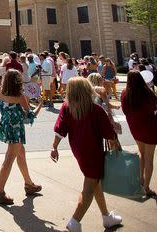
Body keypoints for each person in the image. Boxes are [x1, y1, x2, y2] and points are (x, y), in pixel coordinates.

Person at [51, 77, 122, 232]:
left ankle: (106, 217)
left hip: (78, 150)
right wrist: (115, 142)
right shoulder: (95, 109)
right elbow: (108, 133)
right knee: (89, 187)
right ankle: (74, 223)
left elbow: (59, 130)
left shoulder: (66, 107)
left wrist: (54, 147)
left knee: (94, 182)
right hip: (93, 151)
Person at [0, 70, 43, 205]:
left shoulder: (2, 93)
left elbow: (2, 108)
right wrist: (40, 105)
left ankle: (29, 184)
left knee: (21, 154)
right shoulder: (20, 96)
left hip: (7, 126)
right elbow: (29, 115)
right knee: (9, 159)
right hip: (16, 129)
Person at [121, 70, 157, 197]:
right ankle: (147, 187)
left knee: (141, 153)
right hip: (150, 127)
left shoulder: (125, 93)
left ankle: (140, 181)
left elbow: (124, 110)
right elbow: (154, 107)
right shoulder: (148, 92)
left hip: (135, 127)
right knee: (149, 158)